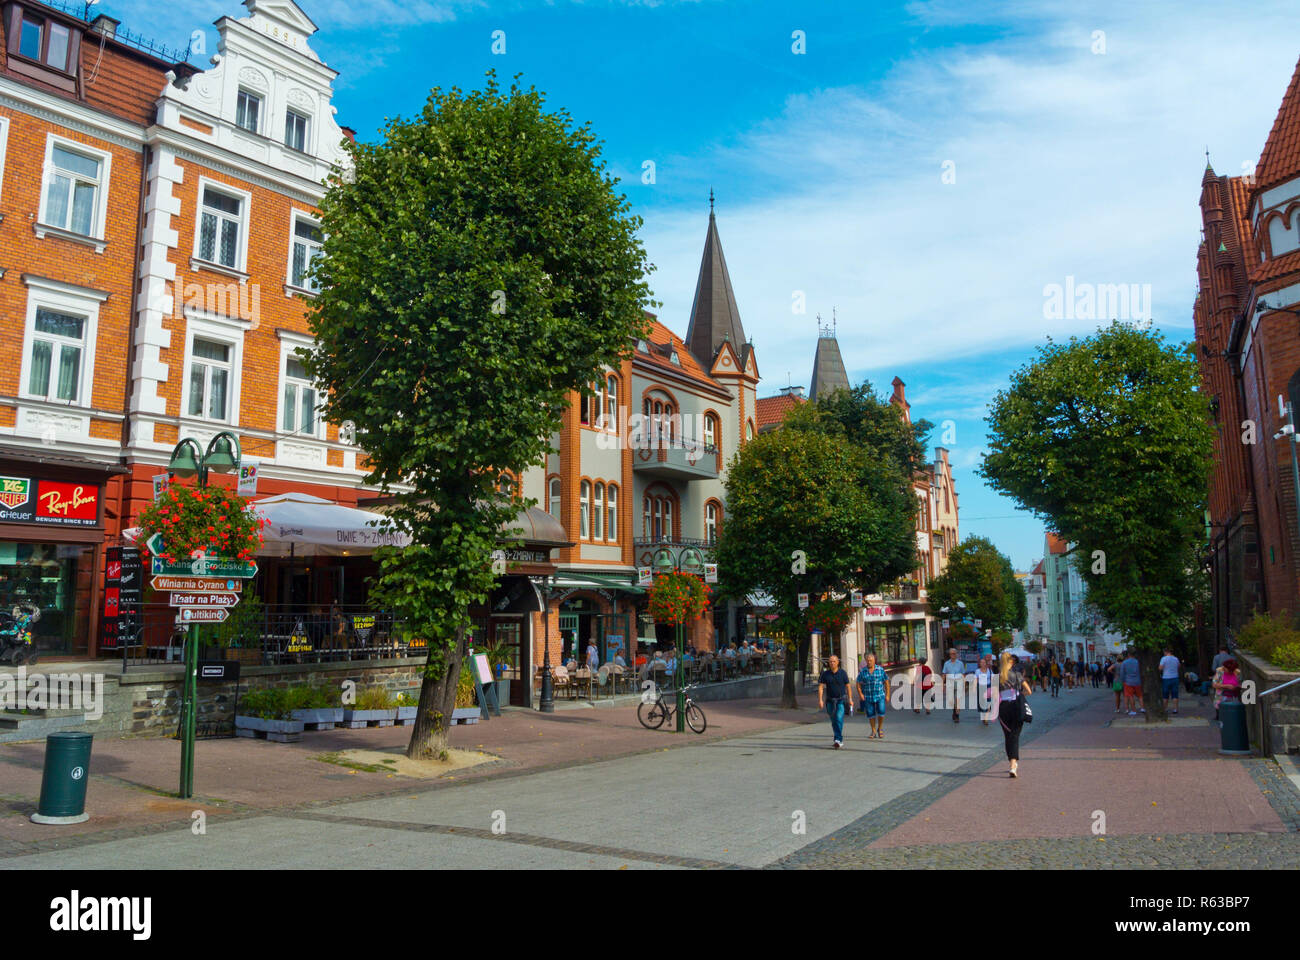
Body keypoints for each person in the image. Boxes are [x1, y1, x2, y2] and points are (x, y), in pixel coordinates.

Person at [997, 650, 1034, 778]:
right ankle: (1013, 764)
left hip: (1003, 708)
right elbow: (1029, 691)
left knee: (1008, 736)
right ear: (1011, 661)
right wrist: (1019, 695)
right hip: (1016, 706)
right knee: (1015, 735)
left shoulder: (998, 677)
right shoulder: (1017, 675)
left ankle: (1011, 763)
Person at [818, 654, 852, 749]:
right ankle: (838, 738)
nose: (832, 663)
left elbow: (848, 686)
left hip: (841, 700)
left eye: (834, 661)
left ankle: (838, 739)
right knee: (834, 721)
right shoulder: (825, 674)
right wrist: (820, 700)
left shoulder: (843, 673)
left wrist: (850, 699)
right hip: (830, 701)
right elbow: (821, 687)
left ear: (838, 662)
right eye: (830, 662)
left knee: (838, 718)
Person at [856, 651, 889, 739]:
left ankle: (880, 728)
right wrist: (860, 694)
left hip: (880, 695)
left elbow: (886, 681)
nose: (869, 662)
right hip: (868, 696)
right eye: (868, 660)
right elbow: (858, 683)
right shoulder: (863, 671)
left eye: (871, 660)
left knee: (881, 712)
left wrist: (888, 695)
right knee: (870, 714)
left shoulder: (880, 669)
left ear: (874, 661)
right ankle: (873, 730)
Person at [942, 648, 965, 722]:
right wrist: (942, 685)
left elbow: (963, 674)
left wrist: (964, 684)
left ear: (956, 654)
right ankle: (954, 711)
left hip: (959, 683)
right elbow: (944, 674)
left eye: (954, 653)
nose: (953, 655)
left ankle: (957, 716)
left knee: (958, 699)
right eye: (951, 654)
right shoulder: (946, 663)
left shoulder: (960, 663)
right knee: (951, 700)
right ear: (949, 655)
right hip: (950, 683)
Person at [975, 654, 996, 725]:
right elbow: (976, 680)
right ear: (979, 664)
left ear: (986, 664)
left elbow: (993, 679)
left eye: (984, 662)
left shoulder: (990, 671)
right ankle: (983, 716)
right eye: (981, 662)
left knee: (988, 702)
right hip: (981, 687)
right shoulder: (977, 671)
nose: (983, 664)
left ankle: (986, 718)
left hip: (988, 687)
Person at [1159, 647, 1181, 715]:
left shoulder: (1163, 658)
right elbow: (1179, 666)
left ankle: (1165, 709)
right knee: (1175, 694)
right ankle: (1175, 709)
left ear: (1166, 652)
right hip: (1175, 677)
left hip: (1166, 678)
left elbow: (1160, 668)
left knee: (1165, 694)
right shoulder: (1176, 659)